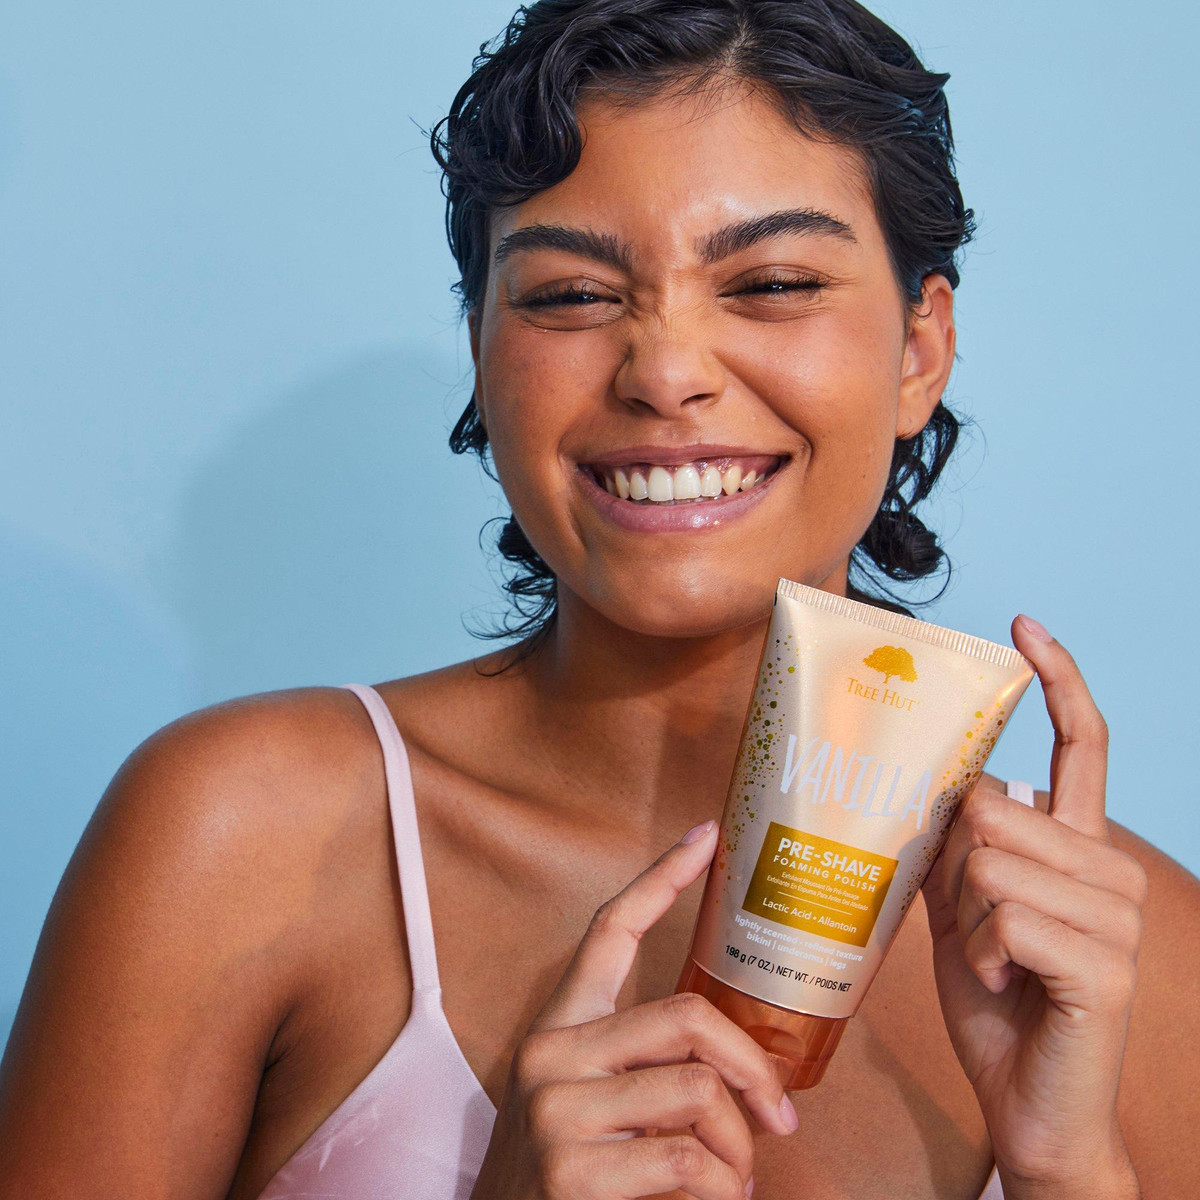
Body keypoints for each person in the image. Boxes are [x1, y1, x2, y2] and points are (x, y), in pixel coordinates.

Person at [1, 1, 1197, 1197]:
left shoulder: (1114, 956)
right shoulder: (242, 837)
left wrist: (1068, 1170)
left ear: (921, 351)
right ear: (481, 348)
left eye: (773, 282)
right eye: (571, 295)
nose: (665, 373)